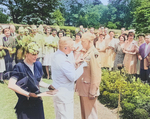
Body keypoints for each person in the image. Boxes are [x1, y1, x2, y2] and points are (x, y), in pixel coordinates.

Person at [8, 42, 56, 119]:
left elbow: (38, 81)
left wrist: (48, 86)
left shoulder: (38, 65)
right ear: (26, 54)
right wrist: (28, 94)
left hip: (37, 103)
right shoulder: (19, 67)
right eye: (33, 54)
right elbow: (11, 84)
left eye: (37, 54)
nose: (36, 56)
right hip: (25, 104)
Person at [50, 36, 86, 119]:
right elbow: (73, 77)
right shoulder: (62, 59)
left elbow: (64, 66)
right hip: (64, 94)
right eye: (71, 47)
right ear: (65, 47)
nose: (73, 49)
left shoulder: (57, 55)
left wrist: (74, 62)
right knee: (66, 116)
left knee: (60, 115)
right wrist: (83, 66)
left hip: (59, 91)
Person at [76, 32, 101, 119]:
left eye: (83, 41)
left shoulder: (93, 54)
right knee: (85, 115)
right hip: (84, 88)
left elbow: (96, 74)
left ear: (90, 41)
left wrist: (93, 90)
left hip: (88, 89)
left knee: (90, 115)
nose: (81, 43)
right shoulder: (88, 52)